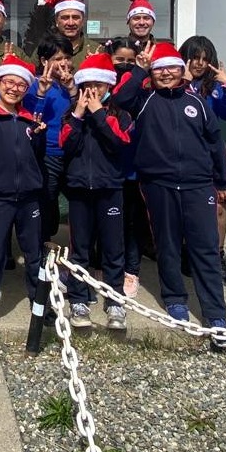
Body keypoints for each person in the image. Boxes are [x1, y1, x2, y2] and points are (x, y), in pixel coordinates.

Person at [113, 41, 226, 349]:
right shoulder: (143, 98)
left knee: (204, 247)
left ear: (182, 72)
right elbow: (120, 97)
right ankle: (175, 298)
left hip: (197, 183)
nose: (166, 73)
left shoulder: (197, 100)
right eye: (160, 69)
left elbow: (215, 140)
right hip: (157, 182)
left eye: (172, 68)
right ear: (152, 73)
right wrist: (140, 68)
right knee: (167, 242)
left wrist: (221, 179)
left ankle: (215, 314)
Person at [0, 55, 48, 334]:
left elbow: (35, 158)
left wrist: (39, 137)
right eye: (9, 82)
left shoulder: (30, 119)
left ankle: (39, 302)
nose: (14, 88)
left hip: (28, 198)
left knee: (34, 254)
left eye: (20, 85)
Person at [59, 53, 132, 330]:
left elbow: (118, 143)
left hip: (110, 187)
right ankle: (79, 298)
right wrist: (78, 115)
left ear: (108, 86)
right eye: (87, 85)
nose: (92, 91)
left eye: (98, 85)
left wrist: (99, 113)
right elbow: (67, 145)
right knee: (81, 248)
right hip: (79, 188)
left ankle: (114, 300)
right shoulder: (71, 114)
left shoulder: (119, 115)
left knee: (113, 248)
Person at [178, 35, 226, 283]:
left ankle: (218, 255)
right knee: (184, 207)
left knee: (219, 206)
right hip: (181, 151)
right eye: (195, 58)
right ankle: (187, 253)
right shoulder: (176, 82)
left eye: (205, 59)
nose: (200, 64)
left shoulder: (215, 87)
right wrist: (184, 82)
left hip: (212, 152)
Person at [106, 38, 155, 296]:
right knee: (111, 220)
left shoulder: (144, 83)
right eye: (119, 60)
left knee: (134, 221)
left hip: (136, 164)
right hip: (110, 163)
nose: (125, 65)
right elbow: (120, 98)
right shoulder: (104, 83)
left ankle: (131, 270)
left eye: (130, 60)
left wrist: (140, 72)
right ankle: (104, 266)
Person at [25, 34, 78, 250]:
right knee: (46, 203)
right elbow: (30, 121)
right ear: (44, 61)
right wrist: (40, 94)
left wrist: (73, 90)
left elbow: (81, 115)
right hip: (48, 155)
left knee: (79, 204)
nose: (63, 63)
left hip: (74, 153)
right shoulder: (34, 85)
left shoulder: (77, 84)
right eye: (57, 58)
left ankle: (81, 252)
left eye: (67, 57)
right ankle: (42, 252)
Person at [37, 0, 100, 71]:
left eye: (75, 17)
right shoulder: (46, 47)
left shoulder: (96, 49)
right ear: (56, 21)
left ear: (83, 21)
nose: (71, 23)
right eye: (65, 18)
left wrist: (98, 64)